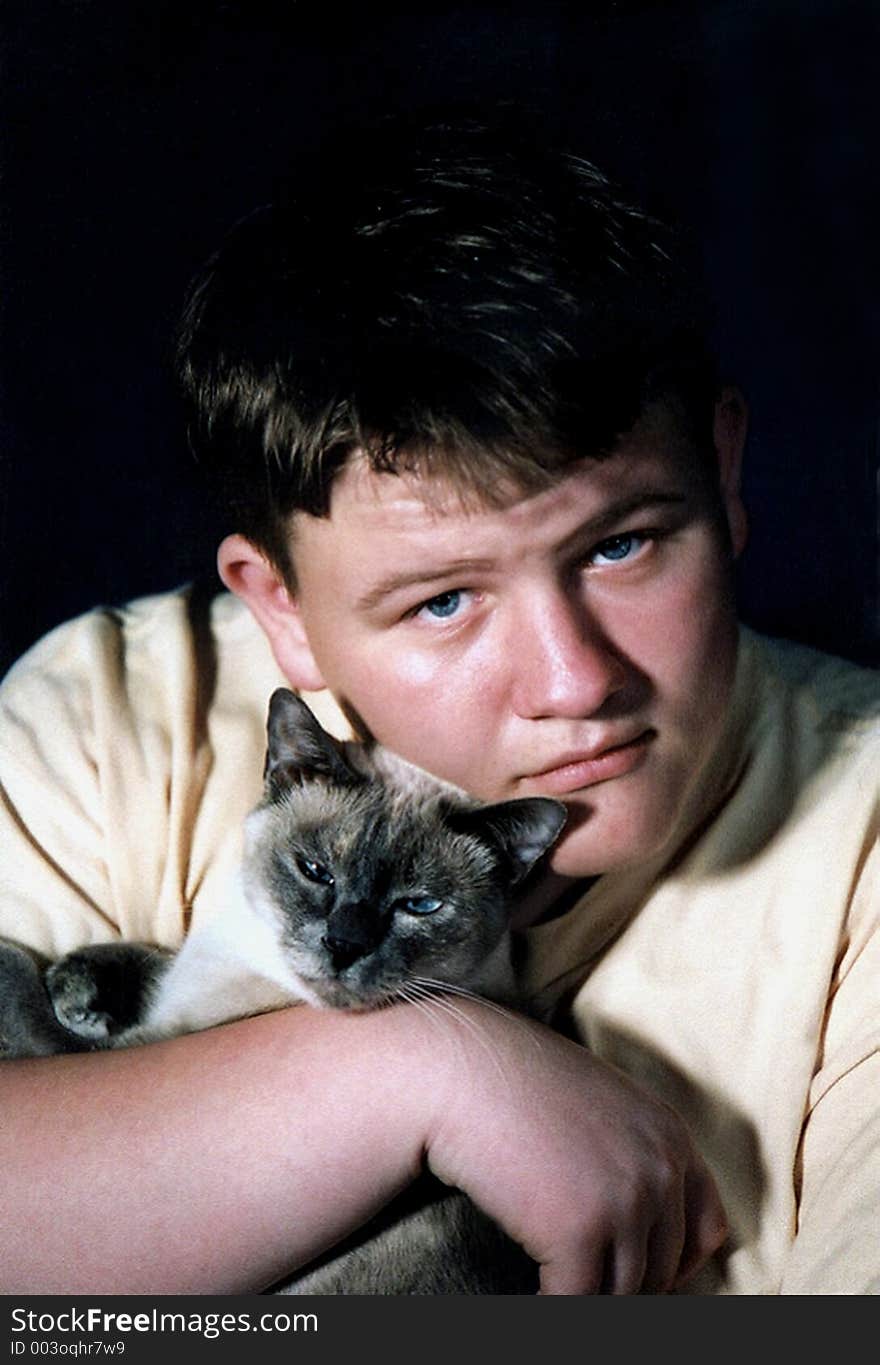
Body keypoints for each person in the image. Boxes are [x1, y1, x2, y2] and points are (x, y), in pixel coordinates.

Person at [0, 110, 876, 1296]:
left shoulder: (858, 839)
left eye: (620, 546)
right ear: (284, 613)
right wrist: (420, 1070)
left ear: (723, 480)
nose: (574, 683)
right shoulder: (110, 720)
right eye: (442, 604)